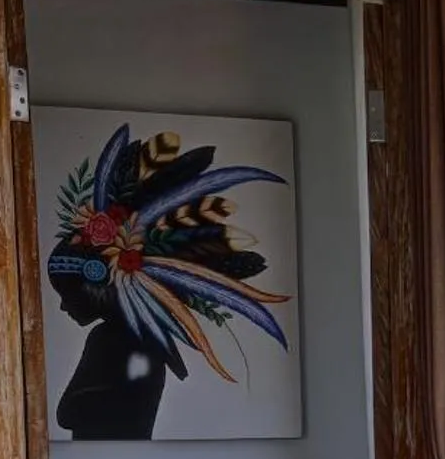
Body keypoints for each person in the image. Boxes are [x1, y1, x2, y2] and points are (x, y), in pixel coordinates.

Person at [46, 124, 289, 440]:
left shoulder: (110, 339)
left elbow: (68, 413)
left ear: (97, 285)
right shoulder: (140, 341)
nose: (63, 305)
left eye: (68, 293)